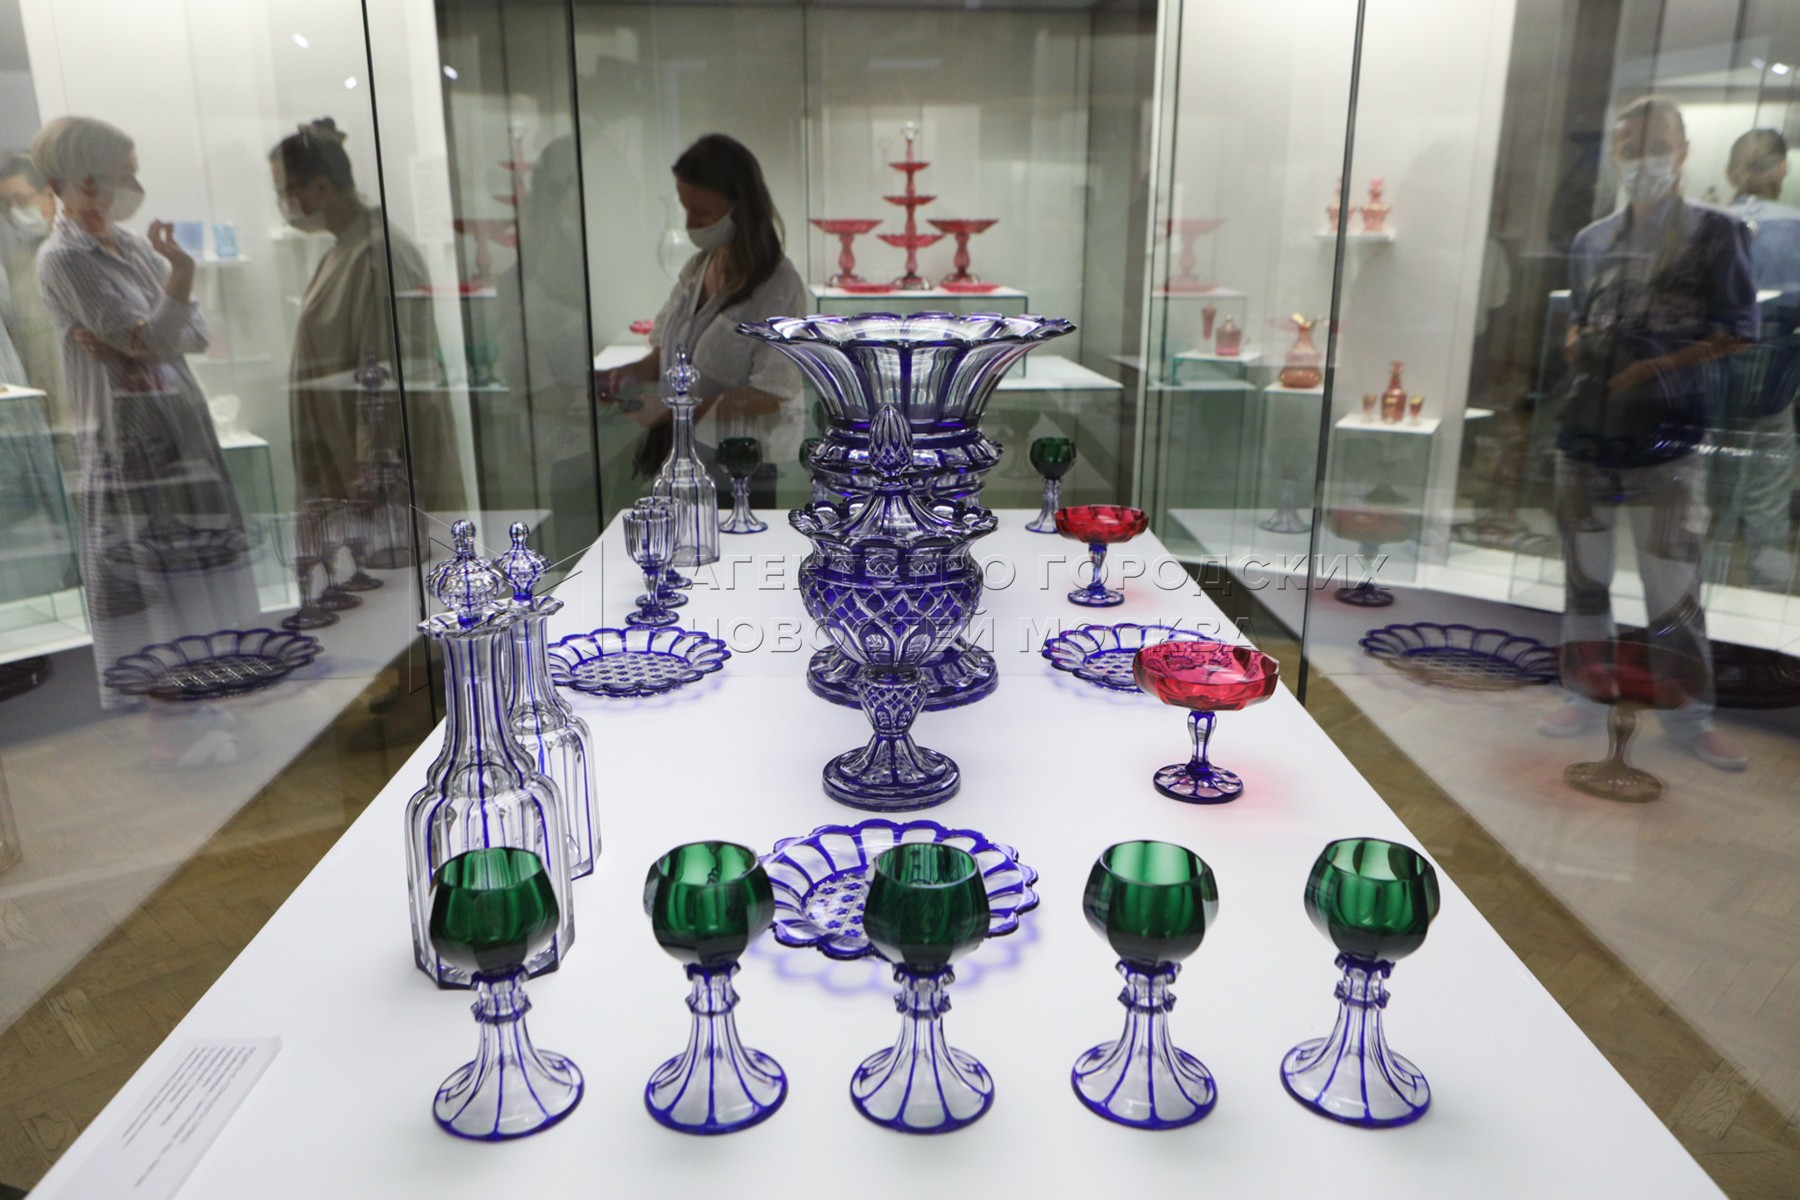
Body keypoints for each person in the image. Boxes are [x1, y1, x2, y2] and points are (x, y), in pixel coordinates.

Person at [1541, 96, 1757, 770]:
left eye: (1657, 144)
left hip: (1668, 437)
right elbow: (1580, 315)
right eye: (1630, 147)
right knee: (1584, 579)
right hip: (1588, 432)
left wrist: (1652, 369)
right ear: (1614, 154)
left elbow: (1737, 331)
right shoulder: (1592, 240)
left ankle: (1690, 719)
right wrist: (1579, 342)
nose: (1643, 159)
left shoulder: (1716, 233)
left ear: (1683, 151)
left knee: (1673, 590)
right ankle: (1583, 695)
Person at [31, 116, 257, 717]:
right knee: (144, 578)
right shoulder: (63, 258)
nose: (132, 186)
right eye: (122, 174)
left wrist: (146, 334)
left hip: (180, 425)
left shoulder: (132, 247)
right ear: (84, 178)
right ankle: (170, 724)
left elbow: (191, 334)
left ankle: (211, 704)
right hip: (125, 438)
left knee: (197, 567)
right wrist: (173, 291)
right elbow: (152, 338)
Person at [272, 118, 462, 509]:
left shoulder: (377, 256)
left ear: (321, 187)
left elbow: (383, 373)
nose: (282, 204)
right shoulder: (342, 251)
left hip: (379, 479)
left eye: (284, 191)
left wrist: (373, 470)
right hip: (342, 462)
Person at [599, 133, 806, 492]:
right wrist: (624, 376)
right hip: (680, 458)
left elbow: (772, 394)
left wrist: (675, 411)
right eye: (686, 209)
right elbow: (667, 358)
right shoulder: (698, 268)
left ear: (741, 208)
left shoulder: (777, 286)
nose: (690, 223)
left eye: (702, 212)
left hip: (738, 468)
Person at [1713, 129, 1800, 591]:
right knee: (1767, 500)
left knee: (1713, 500)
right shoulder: (1797, 227)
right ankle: (1768, 603)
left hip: (1712, 380)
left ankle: (1699, 597)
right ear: (1782, 168)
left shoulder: (1705, 225)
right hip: (1775, 383)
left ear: (1731, 172)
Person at [0, 152, 69, 424]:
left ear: (48, 194)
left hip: (83, 401)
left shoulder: (76, 256)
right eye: (5, 204)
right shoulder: (15, 267)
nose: (13, 212)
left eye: (21, 200)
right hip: (41, 407)